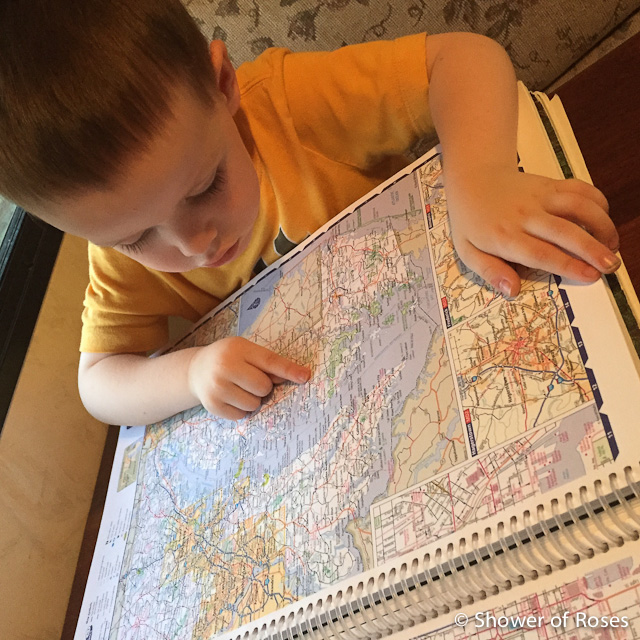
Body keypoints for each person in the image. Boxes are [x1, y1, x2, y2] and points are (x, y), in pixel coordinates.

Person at [0, 0, 620, 426]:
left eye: (205, 185)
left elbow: (461, 60)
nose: (194, 242)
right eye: (137, 237)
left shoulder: (288, 104)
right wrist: (189, 375)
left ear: (223, 87)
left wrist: (482, 180)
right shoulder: (116, 257)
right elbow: (98, 383)